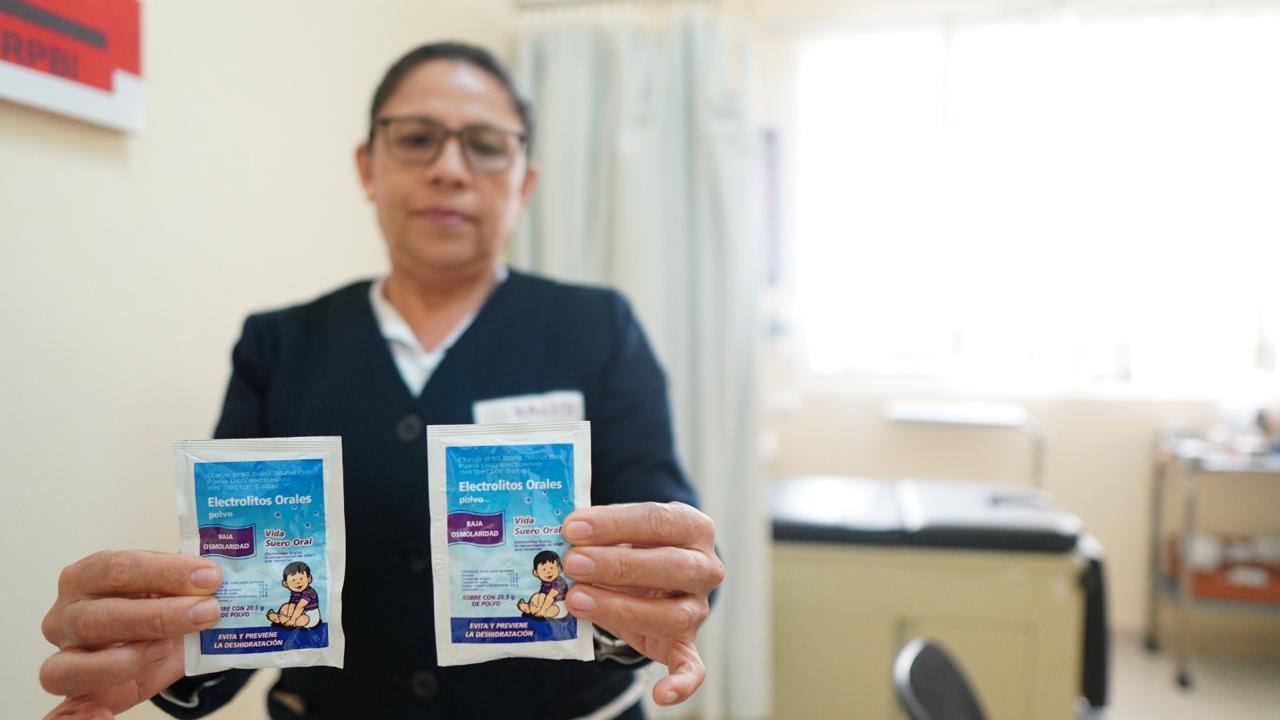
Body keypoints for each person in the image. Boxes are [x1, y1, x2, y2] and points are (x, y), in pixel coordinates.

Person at [38, 41, 723, 720]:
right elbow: (248, 585)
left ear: (525, 184)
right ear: (368, 167)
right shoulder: (280, 346)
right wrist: (172, 644)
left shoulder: (596, 328)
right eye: (417, 139)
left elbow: (668, 551)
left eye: (486, 146)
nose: (449, 169)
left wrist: (664, 593)